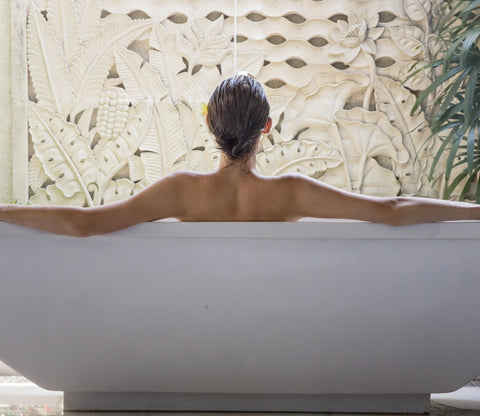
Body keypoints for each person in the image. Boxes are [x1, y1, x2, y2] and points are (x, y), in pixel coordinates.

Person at [1, 74, 479, 236]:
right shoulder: (292, 194)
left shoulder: (182, 191)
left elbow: (85, 223)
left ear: (209, 126)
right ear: (266, 128)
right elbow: (392, 212)